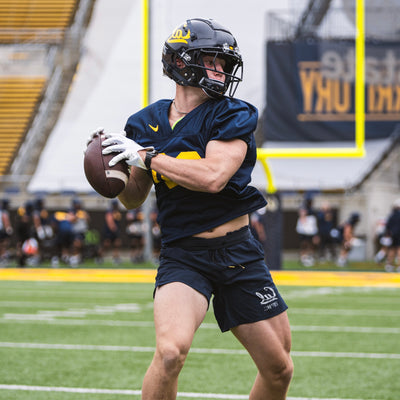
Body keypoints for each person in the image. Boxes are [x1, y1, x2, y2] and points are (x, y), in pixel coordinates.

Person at [91, 18, 292, 399]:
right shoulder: (144, 123)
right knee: (170, 353)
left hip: (238, 253)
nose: (221, 70)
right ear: (181, 62)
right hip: (184, 254)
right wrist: (110, 172)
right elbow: (133, 197)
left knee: (279, 369)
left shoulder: (232, 113)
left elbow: (214, 176)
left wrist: (147, 158)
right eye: (212, 61)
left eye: (224, 63)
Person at [100, 199, 122, 264]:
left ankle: (116, 258)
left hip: (115, 230)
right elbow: (109, 221)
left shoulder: (117, 212)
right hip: (109, 231)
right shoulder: (110, 211)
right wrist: (113, 228)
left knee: (117, 244)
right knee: (106, 245)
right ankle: (99, 256)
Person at [384, 198, 400, 272]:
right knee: (399, 249)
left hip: (392, 235)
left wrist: (387, 235)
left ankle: (389, 265)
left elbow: (387, 226)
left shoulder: (391, 215)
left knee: (392, 249)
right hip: (399, 234)